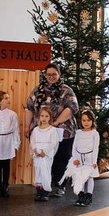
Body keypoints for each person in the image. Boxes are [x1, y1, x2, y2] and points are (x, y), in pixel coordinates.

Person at [25, 62, 79, 198]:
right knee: (44, 160)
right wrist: (27, 127)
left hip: (62, 130)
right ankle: (43, 187)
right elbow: (29, 108)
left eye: (54, 74)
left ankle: (60, 185)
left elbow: (72, 108)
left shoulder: (66, 90)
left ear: (59, 74)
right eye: (48, 74)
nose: (51, 77)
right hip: (42, 131)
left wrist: (55, 123)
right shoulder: (38, 90)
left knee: (61, 158)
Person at [66, 109, 100, 206]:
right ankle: (81, 195)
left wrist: (94, 161)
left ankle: (88, 196)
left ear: (92, 121)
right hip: (79, 159)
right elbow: (74, 146)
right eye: (84, 120)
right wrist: (75, 158)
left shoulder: (94, 133)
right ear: (80, 121)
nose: (86, 122)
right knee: (79, 176)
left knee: (89, 177)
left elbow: (95, 148)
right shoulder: (78, 133)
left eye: (88, 120)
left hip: (90, 159)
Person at [29, 107, 59, 202]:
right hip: (38, 154)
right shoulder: (35, 130)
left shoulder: (52, 130)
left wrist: (44, 152)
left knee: (45, 172)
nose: (44, 118)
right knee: (38, 172)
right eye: (42, 116)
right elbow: (32, 142)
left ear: (50, 117)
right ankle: (39, 191)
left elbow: (53, 143)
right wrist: (37, 151)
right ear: (39, 117)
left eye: (46, 116)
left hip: (46, 155)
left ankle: (46, 191)